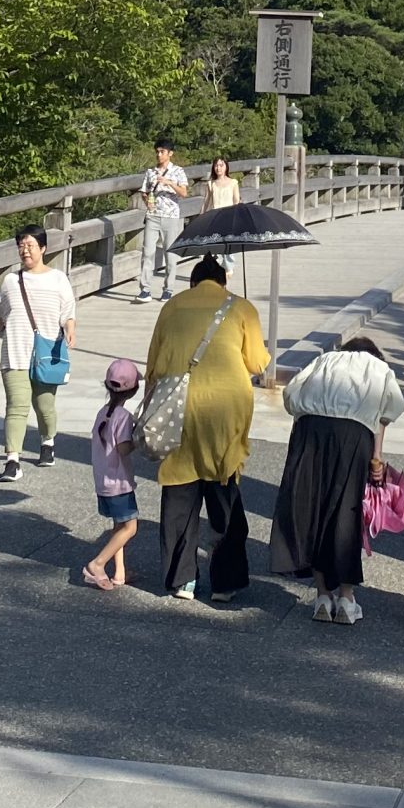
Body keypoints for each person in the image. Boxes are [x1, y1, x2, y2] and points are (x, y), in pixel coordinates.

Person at [144, 254, 271, 601]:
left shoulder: (172, 306)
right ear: (223, 281)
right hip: (223, 413)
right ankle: (225, 584)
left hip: (178, 410)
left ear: (193, 282)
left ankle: (181, 579)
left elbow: (153, 365)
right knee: (223, 493)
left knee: (179, 493)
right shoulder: (241, 307)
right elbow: (257, 363)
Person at [271, 336, 404, 624]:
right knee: (346, 514)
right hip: (353, 436)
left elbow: (291, 396)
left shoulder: (324, 360)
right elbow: (386, 414)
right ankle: (346, 598)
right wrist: (377, 459)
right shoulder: (379, 368)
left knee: (314, 511)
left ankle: (323, 595)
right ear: (374, 354)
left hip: (310, 431)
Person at [0, 226, 76, 480]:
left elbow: (68, 311)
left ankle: (47, 442)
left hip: (46, 353)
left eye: (30, 245)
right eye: (21, 246)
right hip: (14, 351)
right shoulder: (11, 281)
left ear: (43, 248)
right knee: (16, 406)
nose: (25, 250)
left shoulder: (58, 279)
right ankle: (12, 460)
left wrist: (70, 329)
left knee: (44, 406)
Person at [81, 358, 143, 590]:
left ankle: (120, 572)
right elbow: (124, 449)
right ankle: (97, 564)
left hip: (103, 481)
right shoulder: (123, 417)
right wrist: (139, 437)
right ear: (134, 390)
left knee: (119, 527)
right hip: (119, 483)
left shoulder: (103, 412)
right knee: (130, 528)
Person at [136, 138, 190, 302]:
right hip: (153, 215)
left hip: (170, 216)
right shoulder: (150, 172)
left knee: (170, 254)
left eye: (162, 152)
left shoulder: (178, 171)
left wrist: (169, 183)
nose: (159, 155)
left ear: (170, 153)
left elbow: (184, 193)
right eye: (157, 152)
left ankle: (168, 289)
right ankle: (145, 290)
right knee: (147, 252)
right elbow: (144, 191)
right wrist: (147, 200)